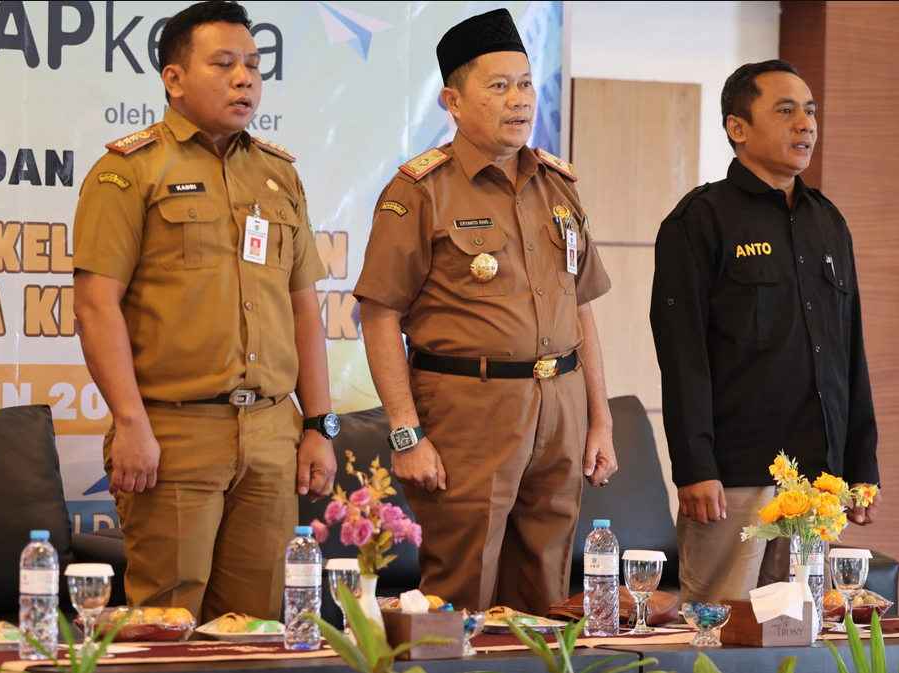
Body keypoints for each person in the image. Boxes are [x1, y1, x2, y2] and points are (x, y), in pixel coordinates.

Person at [72, 0, 338, 622]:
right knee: (166, 629)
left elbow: (304, 307)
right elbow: (95, 305)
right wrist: (131, 423)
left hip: (273, 435)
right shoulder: (128, 171)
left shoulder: (278, 176)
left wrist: (318, 424)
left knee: (262, 628)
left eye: (253, 64)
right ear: (174, 78)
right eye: (223, 63)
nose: (244, 77)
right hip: (173, 432)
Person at [353, 8, 617, 614]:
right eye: (498, 86)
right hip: (468, 413)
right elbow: (378, 314)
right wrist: (406, 432)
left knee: (547, 594)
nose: (518, 99)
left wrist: (598, 420)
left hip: (560, 410)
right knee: (461, 594)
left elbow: (582, 309)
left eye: (525, 83)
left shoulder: (559, 185)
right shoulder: (420, 190)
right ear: (452, 99)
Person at [650, 60, 881, 604]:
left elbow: (851, 355)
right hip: (734, 479)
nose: (805, 124)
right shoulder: (699, 221)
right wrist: (695, 467)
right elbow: (682, 357)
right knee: (717, 636)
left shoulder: (829, 222)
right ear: (738, 127)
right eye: (785, 110)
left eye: (810, 111)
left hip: (818, 485)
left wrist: (861, 467)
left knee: (800, 638)